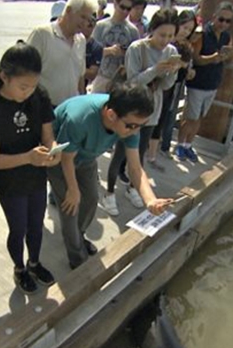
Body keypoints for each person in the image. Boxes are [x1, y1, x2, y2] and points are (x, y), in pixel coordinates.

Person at [48, 85, 174, 269]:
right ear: (111, 115)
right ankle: (77, 259)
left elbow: (135, 168)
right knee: (71, 208)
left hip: (88, 156)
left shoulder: (130, 124)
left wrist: (151, 201)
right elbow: (67, 158)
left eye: (141, 126)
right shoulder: (80, 118)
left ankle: (79, 235)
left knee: (91, 199)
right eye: (131, 126)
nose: (135, 131)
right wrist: (73, 189)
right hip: (60, 159)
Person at [0, 43, 60, 294]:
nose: (28, 92)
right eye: (23, 87)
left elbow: (47, 135)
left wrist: (53, 150)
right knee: (18, 226)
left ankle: (34, 262)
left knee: (36, 223)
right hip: (8, 178)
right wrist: (28, 158)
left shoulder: (39, 95)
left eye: (33, 86)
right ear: (4, 76)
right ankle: (19, 268)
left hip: (35, 173)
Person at [101, 9, 181, 217]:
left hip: (152, 107)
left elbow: (166, 85)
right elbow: (133, 82)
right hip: (131, 108)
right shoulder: (137, 48)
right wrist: (156, 69)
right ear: (152, 30)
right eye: (162, 34)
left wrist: (171, 72)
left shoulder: (171, 51)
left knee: (141, 151)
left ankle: (133, 188)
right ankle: (109, 192)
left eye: (171, 35)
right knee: (121, 153)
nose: (166, 40)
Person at [177, 1, 233, 163]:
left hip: (213, 82)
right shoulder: (203, 33)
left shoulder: (226, 36)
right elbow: (195, 58)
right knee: (190, 116)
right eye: (221, 19)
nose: (224, 24)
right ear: (214, 16)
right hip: (198, 82)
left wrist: (229, 55)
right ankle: (180, 145)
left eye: (228, 21)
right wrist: (215, 57)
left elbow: (229, 57)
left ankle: (189, 145)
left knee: (199, 117)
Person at [27, 0, 96, 107]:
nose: (85, 23)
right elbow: (26, 72)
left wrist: (82, 104)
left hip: (70, 108)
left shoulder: (81, 40)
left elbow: (80, 77)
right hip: (44, 107)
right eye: (82, 17)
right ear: (69, 11)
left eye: (88, 19)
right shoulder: (42, 34)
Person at [157, 9, 197, 157]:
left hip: (178, 83)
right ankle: (156, 145)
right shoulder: (168, 41)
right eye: (184, 27)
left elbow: (189, 64)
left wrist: (189, 70)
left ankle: (164, 146)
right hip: (164, 82)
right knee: (159, 113)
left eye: (189, 29)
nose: (186, 32)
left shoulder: (187, 44)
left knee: (170, 114)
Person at [90, 0, 141, 93]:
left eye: (128, 9)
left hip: (122, 80)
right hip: (102, 76)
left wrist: (124, 53)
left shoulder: (133, 31)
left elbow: (136, 57)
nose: (125, 11)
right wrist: (107, 51)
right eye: (122, 7)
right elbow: (92, 52)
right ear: (115, 4)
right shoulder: (100, 26)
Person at [83, 15, 104, 89]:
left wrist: (74, 68)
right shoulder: (71, 40)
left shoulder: (97, 47)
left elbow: (92, 74)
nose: (89, 28)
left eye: (91, 25)